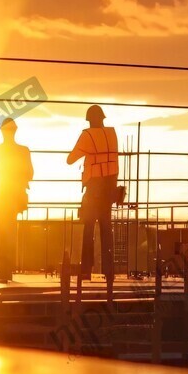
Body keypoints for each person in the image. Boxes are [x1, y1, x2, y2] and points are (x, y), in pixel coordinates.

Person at [67, 104, 119, 293]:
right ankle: (109, 271)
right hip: (109, 188)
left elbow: (70, 159)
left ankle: (85, 270)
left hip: (94, 188)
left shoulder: (88, 135)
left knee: (88, 229)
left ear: (90, 120)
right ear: (103, 119)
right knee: (106, 230)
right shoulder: (112, 135)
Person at [0, 118, 34, 283]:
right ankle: (6, 268)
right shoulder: (23, 151)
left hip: (2, 195)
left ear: (2, 131)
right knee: (9, 232)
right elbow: (30, 173)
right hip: (15, 195)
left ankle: (3, 268)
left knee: (2, 232)